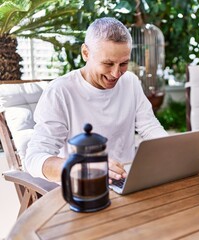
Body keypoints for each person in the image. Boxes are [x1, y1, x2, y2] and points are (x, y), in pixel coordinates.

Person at [24, 17, 168, 182]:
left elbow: (149, 127)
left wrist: (172, 150)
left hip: (126, 181)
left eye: (123, 64)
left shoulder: (130, 82)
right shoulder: (60, 92)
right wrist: (85, 168)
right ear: (86, 53)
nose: (116, 74)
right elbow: (34, 158)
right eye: (108, 64)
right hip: (83, 187)